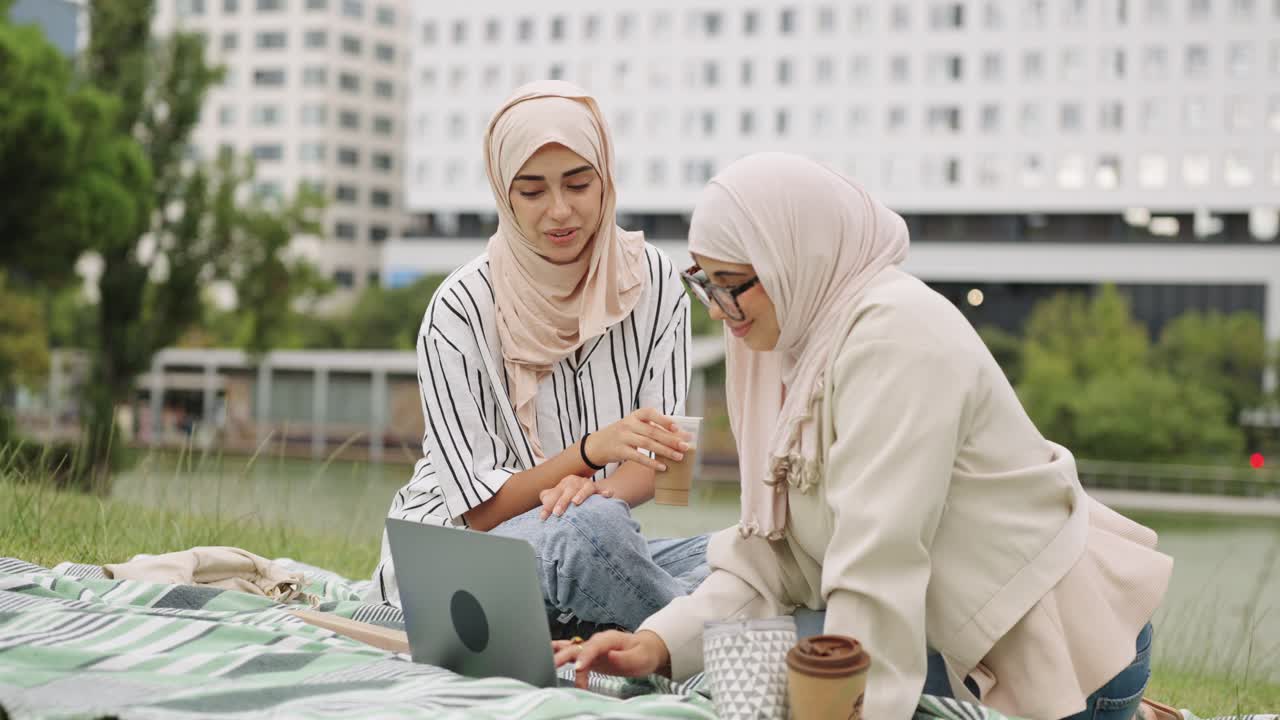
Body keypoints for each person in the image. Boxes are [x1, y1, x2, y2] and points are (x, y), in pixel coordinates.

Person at [555, 153, 1173, 720]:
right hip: (951, 632)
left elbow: (878, 567)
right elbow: (772, 554)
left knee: (780, 675)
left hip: (1063, 662)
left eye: (732, 283)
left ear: (792, 256)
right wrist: (654, 646)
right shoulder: (788, 342)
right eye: (705, 283)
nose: (717, 309)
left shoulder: (897, 339)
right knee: (742, 667)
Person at [368, 81, 710, 638]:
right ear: (504, 195)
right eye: (531, 191)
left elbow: (662, 460)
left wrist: (594, 491)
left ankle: (660, 620)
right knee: (593, 533)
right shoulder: (460, 309)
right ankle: (698, 641)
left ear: (606, 178)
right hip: (453, 563)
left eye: (578, 183)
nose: (559, 210)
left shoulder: (656, 282)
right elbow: (478, 512)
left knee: (740, 550)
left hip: (590, 548)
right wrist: (589, 455)